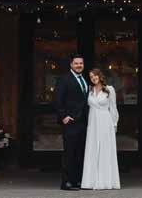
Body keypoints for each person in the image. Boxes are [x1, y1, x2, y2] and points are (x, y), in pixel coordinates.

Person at [54, 53, 89, 191]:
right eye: (76, 63)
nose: (79, 65)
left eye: (81, 63)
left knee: (80, 152)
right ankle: (66, 182)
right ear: (71, 64)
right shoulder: (64, 79)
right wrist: (64, 116)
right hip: (70, 122)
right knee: (69, 152)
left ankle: (77, 180)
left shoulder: (85, 79)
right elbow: (57, 100)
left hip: (84, 122)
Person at [81, 68, 120, 190]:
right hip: (92, 123)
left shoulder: (109, 89)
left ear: (100, 76)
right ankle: (91, 181)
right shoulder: (89, 90)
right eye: (91, 77)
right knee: (92, 149)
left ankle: (106, 181)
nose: (93, 78)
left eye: (95, 75)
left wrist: (114, 124)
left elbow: (113, 108)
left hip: (105, 122)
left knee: (105, 150)